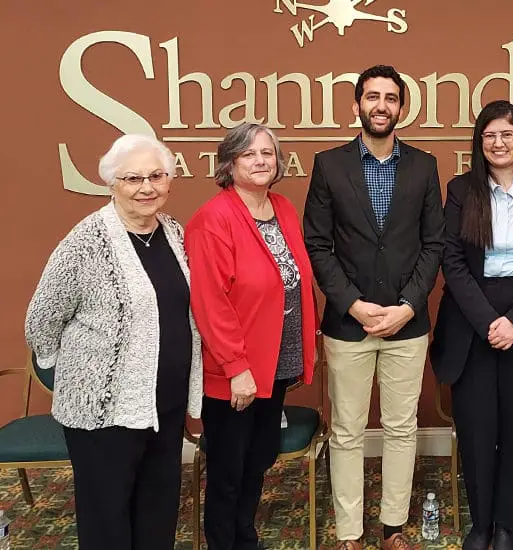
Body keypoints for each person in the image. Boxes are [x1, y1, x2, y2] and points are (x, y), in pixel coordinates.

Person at [24, 134, 202, 549]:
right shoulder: (85, 242)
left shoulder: (173, 231)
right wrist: (74, 370)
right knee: (108, 516)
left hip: (164, 401)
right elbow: (41, 319)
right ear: (112, 183)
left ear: (170, 180)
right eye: (133, 178)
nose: (147, 187)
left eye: (156, 176)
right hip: (102, 410)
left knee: (158, 506)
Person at [303, 64, 444, 550]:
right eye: (372, 97)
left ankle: (393, 528)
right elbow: (317, 245)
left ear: (402, 107)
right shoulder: (329, 165)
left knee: (402, 428)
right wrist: (354, 305)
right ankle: (349, 533)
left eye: (390, 98)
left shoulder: (425, 166)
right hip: (348, 323)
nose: (381, 105)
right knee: (346, 431)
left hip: (408, 323)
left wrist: (408, 305)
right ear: (357, 105)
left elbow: (434, 244)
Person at [430, 100, 513, 550]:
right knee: (476, 427)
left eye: (507, 134)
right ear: (479, 141)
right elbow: (452, 261)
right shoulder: (460, 190)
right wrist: (490, 321)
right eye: (490, 135)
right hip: (473, 323)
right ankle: (481, 522)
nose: (499, 143)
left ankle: (507, 523)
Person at [185, 122, 319, 550]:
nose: (261, 160)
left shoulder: (281, 207)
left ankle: (245, 536)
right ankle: (225, 542)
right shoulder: (213, 219)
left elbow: (292, 281)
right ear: (230, 163)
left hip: (275, 365)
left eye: (267, 153)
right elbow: (211, 302)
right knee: (228, 469)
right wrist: (237, 367)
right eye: (249, 154)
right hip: (235, 373)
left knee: (258, 459)